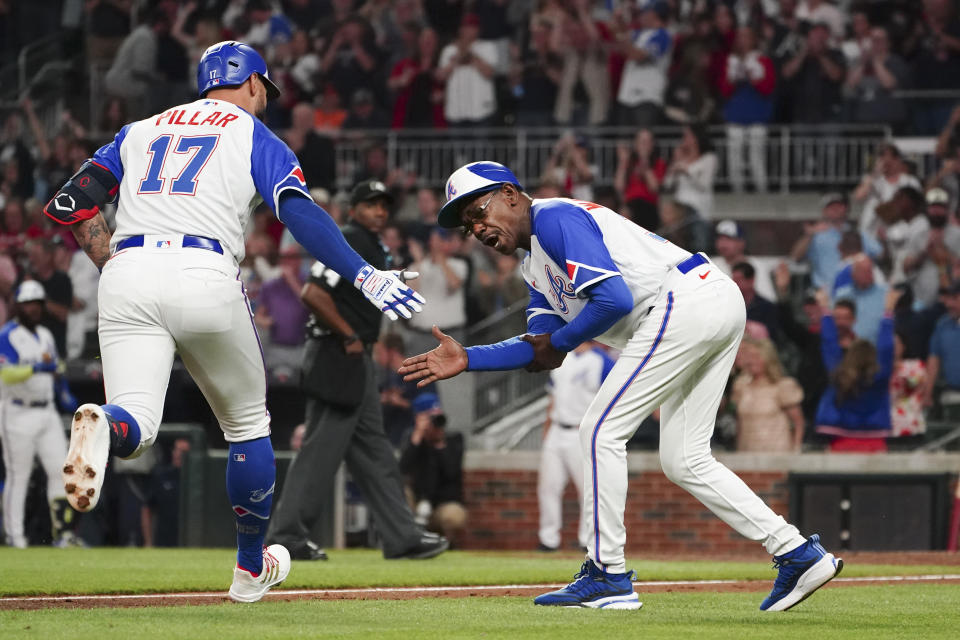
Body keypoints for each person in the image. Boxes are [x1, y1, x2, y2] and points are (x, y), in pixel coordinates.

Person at [43, 42, 425, 603]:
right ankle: (250, 568)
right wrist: (365, 274)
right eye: (264, 90)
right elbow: (297, 209)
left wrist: (115, 262)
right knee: (247, 424)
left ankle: (106, 424)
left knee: (140, 424)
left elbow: (69, 203)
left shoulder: (138, 131)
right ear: (251, 84)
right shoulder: (250, 132)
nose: (264, 100)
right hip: (204, 270)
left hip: (126, 272)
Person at [400, 161, 842, 611]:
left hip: (681, 303)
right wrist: (471, 357)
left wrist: (560, 341)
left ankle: (608, 573)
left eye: (479, 210)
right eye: (468, 224)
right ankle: (796, 552)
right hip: (703, 302)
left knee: (597, 432)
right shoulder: (534, 268)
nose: (477, 228)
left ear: (511, 194)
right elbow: (541, 347)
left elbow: (613, 300)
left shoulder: (553, 217)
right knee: (684, 460)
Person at [266, 179, 448, 563]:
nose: (379, 211)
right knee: (320, 449)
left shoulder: (368, 242)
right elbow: (312, 293)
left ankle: (402, 536)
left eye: (384, 204)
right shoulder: (348, 237)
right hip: (339, 354)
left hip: (353, 356)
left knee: (375, 452)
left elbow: (345, 290)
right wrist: (349, 334)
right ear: (353, 209)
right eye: (370, 204)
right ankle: (287, 536)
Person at [0, 281, 79, 548]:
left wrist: (64, 393)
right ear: (19, 306)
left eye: (36, 304)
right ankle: (15, 536)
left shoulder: (45, 334)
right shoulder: (7, 334)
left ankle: (62, 534)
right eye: (27, 304)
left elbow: (56, 369)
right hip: (17, 411)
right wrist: (36, 368)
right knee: (18, 475)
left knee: (61, 470)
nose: (32, 309)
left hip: (47, 411)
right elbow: (6, 372)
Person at [537, 340, 614, 553]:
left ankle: (586, 541)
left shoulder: (602, 361)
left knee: (587, 489)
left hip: (582, 432)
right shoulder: (563, 357)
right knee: (548, 487)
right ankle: (548, 539)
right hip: (557, 429)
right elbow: (553, 398)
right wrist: (547, 429)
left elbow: (613, 400)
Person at [815, 289, 899, 452]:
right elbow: (887, 348)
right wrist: (888, 312)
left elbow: (830, 344)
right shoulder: (880, 376)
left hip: (840, 439)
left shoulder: (838, 372)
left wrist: (825, 310)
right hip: (875, 440)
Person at [399, 393, 466, 542]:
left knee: (453, 516)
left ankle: (447, 544)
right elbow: (401, 469)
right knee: (399, 492)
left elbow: (451, 472)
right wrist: (418, 435)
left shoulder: (454, 439)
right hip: (416, 502)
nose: (435, 423)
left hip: (442, 504)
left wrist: (439, 444)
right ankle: (406, 541)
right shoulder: (413, 439)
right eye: (430, 418)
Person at [719, 25, 775, 194]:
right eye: (740, 37)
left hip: (757, 117)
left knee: (756, 159)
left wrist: (752, 74)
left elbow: (768, 88)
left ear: (754, 40)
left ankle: (762, 192)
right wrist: (733, 75)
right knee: (734, 159)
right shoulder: (731, 61)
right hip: (736, 117)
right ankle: (737, 192)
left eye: (746, 36)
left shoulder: (763, 61)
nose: (742, 41)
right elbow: (724, 90)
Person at [790, 192, 882, 291]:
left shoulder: (857, 233)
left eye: (839, 206)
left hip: (854, 293)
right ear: (824, 210)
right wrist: (809, 235)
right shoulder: (815, 236)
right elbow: (795, 257)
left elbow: (880, 254)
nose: (835, 209)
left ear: (847, 208)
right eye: (830, 206)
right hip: (824, 292)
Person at [732, 337, 805, 452]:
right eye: (748, 357)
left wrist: (796, 450)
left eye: (756, 357)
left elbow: (798, 423)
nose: (751, 361)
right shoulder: (741, 386)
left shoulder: (783, 386)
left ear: (767, 358)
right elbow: (739, 423)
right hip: (747, 453)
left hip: (776, 453)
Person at [924, 283, 960, 419]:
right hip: (952, 395)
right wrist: (927, 393)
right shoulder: (942, 325)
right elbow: (934, 360)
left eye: (955, 298)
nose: (949, 304)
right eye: (948, 298)